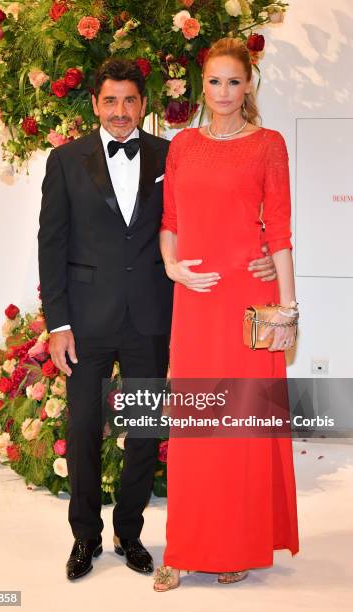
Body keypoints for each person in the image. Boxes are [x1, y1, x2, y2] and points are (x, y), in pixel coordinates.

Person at [38, 57, 278, 582]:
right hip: (86, 323)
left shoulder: (177, 153)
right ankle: (85, 538)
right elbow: (50, 245)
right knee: (82, 430)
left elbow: (219, 212)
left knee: (144, 432)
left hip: (151, 318)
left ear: (144, 105)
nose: (120, 111)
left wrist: (262, 251)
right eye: (110, 101)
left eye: (130, 101)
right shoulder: (65, 161)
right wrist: (58, 324)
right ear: (95, 105)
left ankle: (129, 532)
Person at [155, 38, 299, 591]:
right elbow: (169, 220)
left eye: (233, 82)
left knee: (238, 428)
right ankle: (185, 547)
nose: (223, 92)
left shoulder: (269, 144)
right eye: (213, 81)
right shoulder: (183, 146)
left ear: (249, 86)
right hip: (194, 300)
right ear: (201, 85)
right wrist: (172, 268)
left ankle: (236, 545)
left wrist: (286, 307)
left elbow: (280, 231)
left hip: (245, 303)